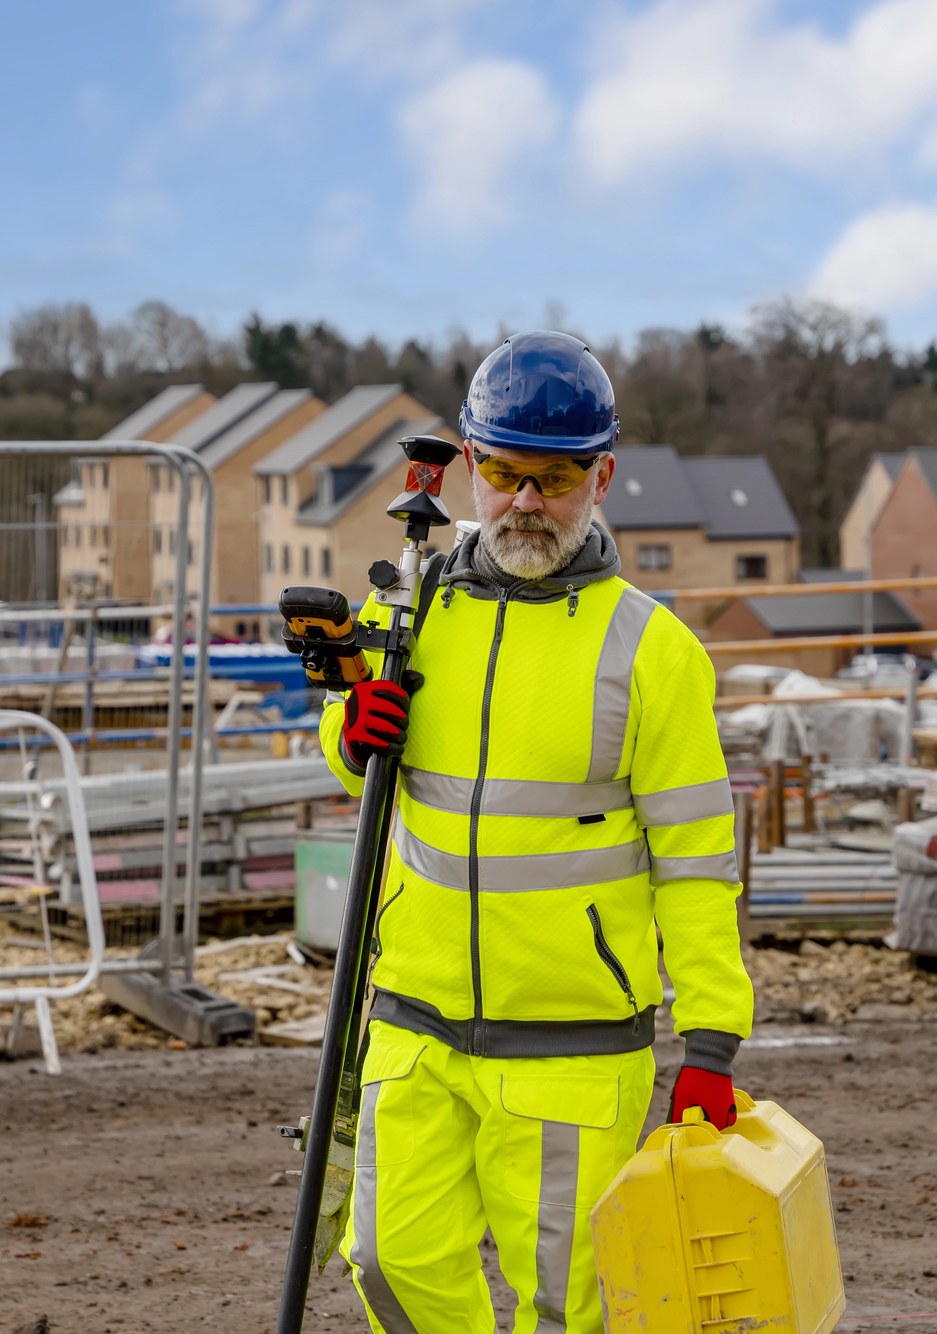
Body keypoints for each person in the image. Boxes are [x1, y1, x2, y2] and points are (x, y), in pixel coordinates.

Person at [319, 330, 753, 1333]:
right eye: (504, 473)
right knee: (388, 1259)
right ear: (470, 465)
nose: (523, 502)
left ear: (601, 475)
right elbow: (355, 765)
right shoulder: (411, 611)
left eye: (551, 479)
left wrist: (712, 1035)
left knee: (568, 1306)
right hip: (414, 1018)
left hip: (571, 1043)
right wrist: (354, 726)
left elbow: (695, 860)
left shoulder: (652, 652)